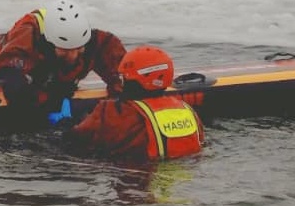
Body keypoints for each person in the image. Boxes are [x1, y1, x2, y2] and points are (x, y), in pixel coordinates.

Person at [60, 45, 205, 161]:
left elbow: (76, 138)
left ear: (134, 80)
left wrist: (66, 123)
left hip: (136, 178)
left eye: (124, 77)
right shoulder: (187, 110)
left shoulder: (113, 111)